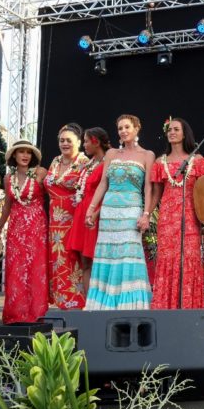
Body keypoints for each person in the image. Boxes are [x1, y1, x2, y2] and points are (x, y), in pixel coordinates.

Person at [85, 114, 154, 310]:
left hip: (132, 210)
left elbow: (148, 187)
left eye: (127, 127)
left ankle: (129, 305)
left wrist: (146, 214)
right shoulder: (111, 154)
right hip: (108, 211)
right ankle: (104, 304)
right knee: (108, 254)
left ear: (136, 128)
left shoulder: (147, 155)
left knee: (128, 254)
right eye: (120, 128)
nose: (123, 131)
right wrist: (92, 209)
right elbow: (103, 184)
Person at [149, 118, 204, 309]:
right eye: (169, 130)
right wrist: (146, 214)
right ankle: (165, 307)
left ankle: (188, 308)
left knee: (188, 259)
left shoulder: (199, 161)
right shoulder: (160, 162)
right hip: (167, 221)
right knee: (167, 259)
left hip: (190, 219)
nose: (172, 132)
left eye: (176, 129)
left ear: (185, 133)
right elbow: (155, 195)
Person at [0, 140, 49, 324]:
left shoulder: (40, 173)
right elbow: (8, 205)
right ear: (14, 156)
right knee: (16, 268)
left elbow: (56, 192)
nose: (25, 156)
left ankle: (36, 313)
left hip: (36, 227)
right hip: (16, 228)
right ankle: (16, 314)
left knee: (36, 268)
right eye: (21, 152)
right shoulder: (8, 178)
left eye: (28, 152)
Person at [45, 123, 88, 309]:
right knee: (58, 264)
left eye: (68, 140)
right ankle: (63, 307)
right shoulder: (55, 161)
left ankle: (78, 306)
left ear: (78, 142)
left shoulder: (85, 163)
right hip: (54, 225)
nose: (64, 144)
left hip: (75, 222)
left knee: (75, 265)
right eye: (61, 140)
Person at [65, 127, 110, 297]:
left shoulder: (108, 162)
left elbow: (107, 190)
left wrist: (96, 213)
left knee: (96, 259)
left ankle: (100, 302)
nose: (84, 145)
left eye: (85, 141)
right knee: (84, 261)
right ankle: (88, 304)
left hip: (97, 214)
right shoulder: (89, 163)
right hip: (82, 213)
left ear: (96, 142)